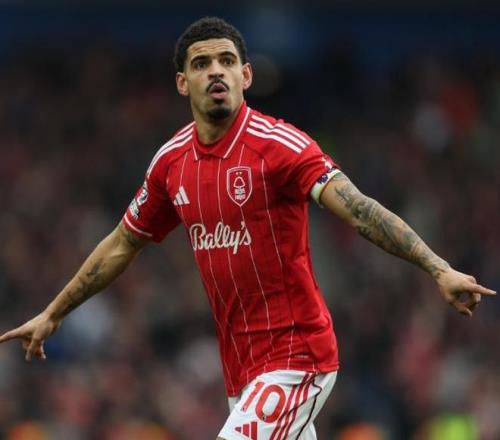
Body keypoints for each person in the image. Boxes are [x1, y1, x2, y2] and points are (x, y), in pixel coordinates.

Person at [0, 17, 495, 440]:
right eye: (201, 63)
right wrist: (53, 313)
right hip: (241, 372)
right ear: (182, 83)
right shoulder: (171, 164)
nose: (216, 70)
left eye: (227, 60)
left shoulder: (279, 146)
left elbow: (360, 210)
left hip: (297, 357)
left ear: (246, 74)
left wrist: (438, 268)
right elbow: (121, 244)